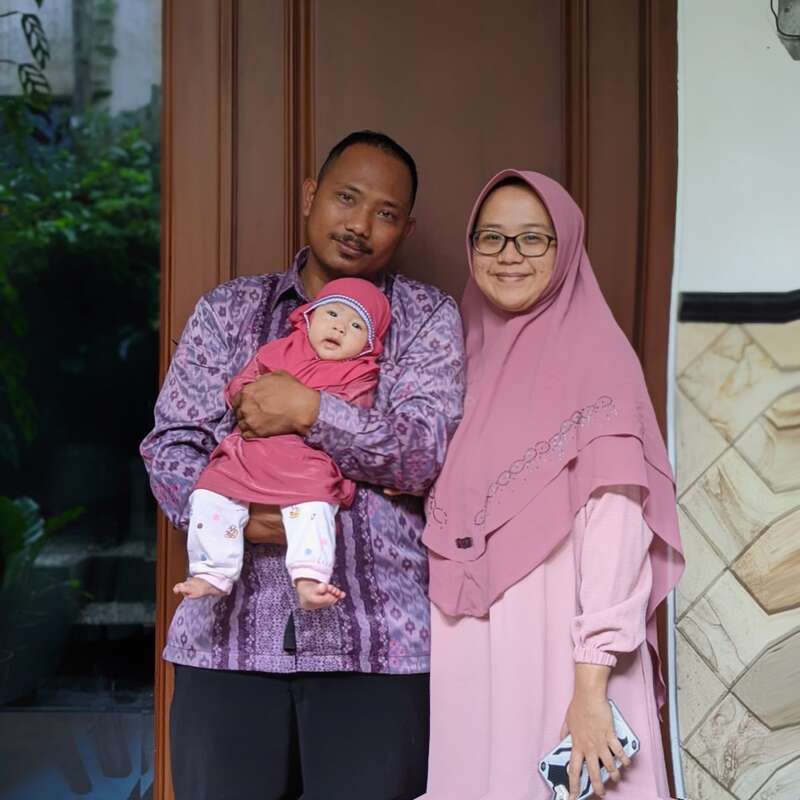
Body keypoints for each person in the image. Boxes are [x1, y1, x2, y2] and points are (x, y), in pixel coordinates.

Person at [141, 131, 465, 800]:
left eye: (385, 212)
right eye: (347, 198)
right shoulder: (230, 312)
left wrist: (310, 410)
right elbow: (173, 447)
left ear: (405, 227)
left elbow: (423, 454)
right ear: (312, 196)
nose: (361, 225)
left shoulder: (427, 319)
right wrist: (247, 521)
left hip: (376, 650)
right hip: (226, 646)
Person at [418, 171, 684, 800]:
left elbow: (617, 531)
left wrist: (591, 687)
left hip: (566, 648)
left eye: (533, 239)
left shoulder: (599, 358)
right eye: (492, 238)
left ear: (565, 249)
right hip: (471, 646)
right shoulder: (456, 352)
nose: (510, 256)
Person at [173, 277, 391, 611]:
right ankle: (212, 570)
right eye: (331, 314)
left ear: (369, 345)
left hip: (304, 458)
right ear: (309, 317)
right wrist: (243, 395)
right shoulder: (279, 350)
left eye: (357, 325)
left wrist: (308, 408)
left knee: (314, 506)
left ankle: (310, 577)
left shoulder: (359, 373)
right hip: (251, 450)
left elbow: (352, 414)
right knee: (210, 492)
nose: (340, 328)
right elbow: (244, 381)